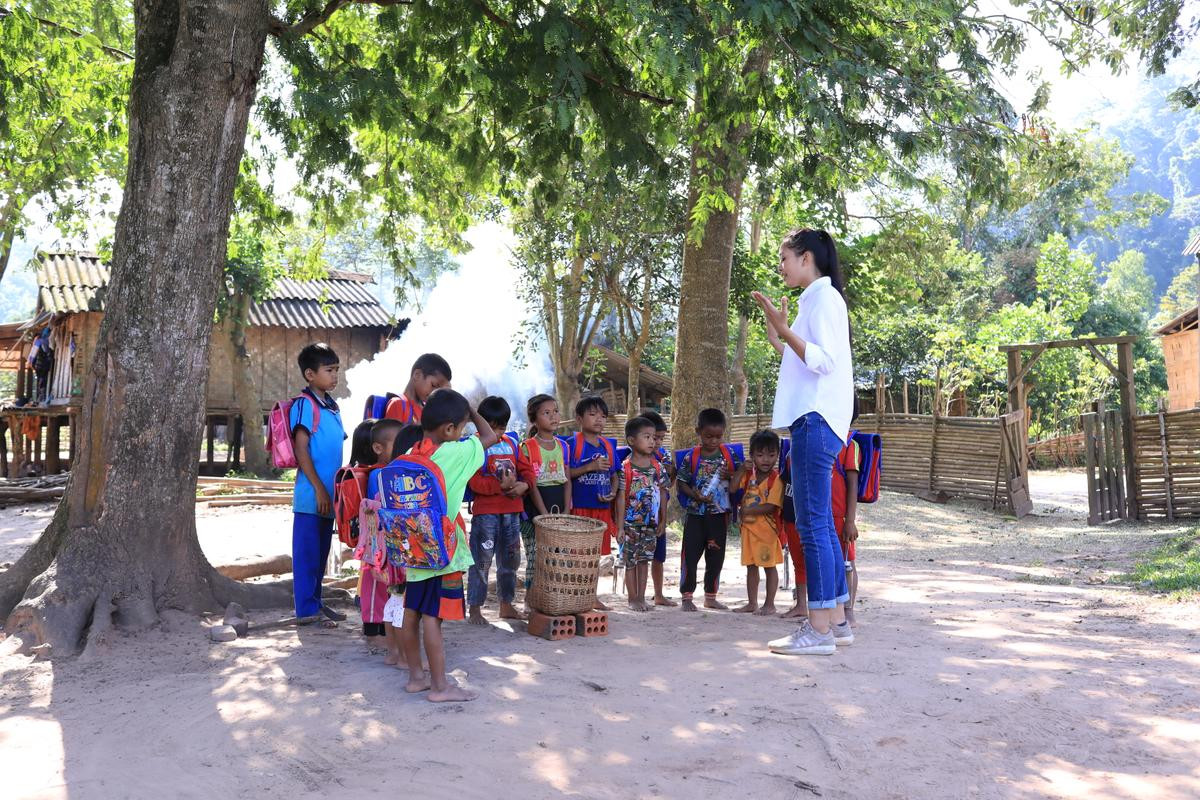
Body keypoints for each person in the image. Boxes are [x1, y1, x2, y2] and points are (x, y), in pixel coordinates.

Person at [753, 228, 855, 656]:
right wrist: (780, 339)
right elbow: (805, 362)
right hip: (816, 418)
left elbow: (825, 361)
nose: (781, 266)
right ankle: (836, 621)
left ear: (806, 257)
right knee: (821, 527)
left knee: (812, 525)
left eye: (784, 257)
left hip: (815, 420)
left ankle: (817, 631)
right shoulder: (814, 300)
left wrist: (783, 327)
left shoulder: (824, 299)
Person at [400, 388, 496, 702]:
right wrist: (471, 408)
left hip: (412, 546)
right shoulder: (455, 453)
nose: (464, 433)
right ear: (450, 429)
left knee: (412, 611)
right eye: (462, 427)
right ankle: (441, 687)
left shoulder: (409, 455)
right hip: (441, 549)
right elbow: (490, 436)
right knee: (433, 617)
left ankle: (416, 677)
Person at [289, 343, 347, 625]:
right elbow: (302, 450)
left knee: (321, 554)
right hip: (311, 495)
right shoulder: (305, 405)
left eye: (337, 369)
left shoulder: (332, 407)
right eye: (329, 370)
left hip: (329, 495)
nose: (335, 375)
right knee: (307, 555)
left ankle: (316, 603)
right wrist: (320, 488)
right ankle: (306, 611)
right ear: (310, 374)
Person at [466, 396, 534, 625]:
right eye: (491, 427)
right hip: (486, 514)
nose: (496, 432)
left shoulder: (513, 444)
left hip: (512, 513)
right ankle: (475, 607)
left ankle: (506, 604)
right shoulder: (474, 446)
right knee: (481, 561)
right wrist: (499, 486)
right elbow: (473, 481)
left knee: (511, 561)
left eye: (501, 427)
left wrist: (524, 486)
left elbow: (527, 471)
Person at [349, 418, 404, 660]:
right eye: (397, 443)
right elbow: (379, 503)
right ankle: (372, 632)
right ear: (378, 449)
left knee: (389, 587)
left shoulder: (391, 470)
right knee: (374, 588)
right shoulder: (379, 474)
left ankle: (385, 629)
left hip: (390, 543)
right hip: (377, 545)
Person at [675, 408, 739, 612]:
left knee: (716, 557)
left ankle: (710, 596)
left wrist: (733, 473)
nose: (713, 441)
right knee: (690, 555)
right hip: (695, 514)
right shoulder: (691, 457)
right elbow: (681, 483)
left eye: (718, 436)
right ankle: (687, 596)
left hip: (719, 515)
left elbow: (737, 482)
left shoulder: (729, 456)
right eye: (708, 436)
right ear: (698, 432)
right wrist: (695, 495)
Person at [567, 395, 619, 610]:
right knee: (578, 555)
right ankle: (575, 596)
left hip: (601, 509)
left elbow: (615, 474)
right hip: (579, 508)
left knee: (595, 556)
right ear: (579, 418)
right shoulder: (572, 444)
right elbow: (565, 473)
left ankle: (591, 596)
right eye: (593, 414)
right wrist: (590, 467)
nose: (599, 419)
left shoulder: (608, 445)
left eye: (603, 416)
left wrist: (613, 492)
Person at [519, 394, 572, 598]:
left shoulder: (563, 446)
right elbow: (532, 485)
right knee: (536, 555)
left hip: (558, 505)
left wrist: (566, 512)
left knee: (558, 555)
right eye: (546, 413)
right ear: (534, 419)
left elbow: (566, 481)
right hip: (535, 507)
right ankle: (531, 599)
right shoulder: (528, 447)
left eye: (556, 411)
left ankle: (552, 598)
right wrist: (543, 515)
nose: (553, 416)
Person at [614, 416, 666, 612]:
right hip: (629, 524)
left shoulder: (658, 468)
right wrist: (619, 527)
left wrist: (663, 519)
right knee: (630, 561)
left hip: (650, 524)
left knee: (644, 560)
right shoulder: (624, 468)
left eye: (654, 437)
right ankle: (632, 599)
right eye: (647, 437)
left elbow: (662, 494)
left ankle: (642, 597)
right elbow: (620, 498)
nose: (652, 441)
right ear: (632, 440)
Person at [730, 430, 784, 615]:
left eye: (771, 454)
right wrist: (740, 470)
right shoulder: (749, 475)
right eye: (760, 455)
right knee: (751, 566)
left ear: (778, 454)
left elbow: (772, 507)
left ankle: (769, 604)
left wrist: (748, 510)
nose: (766, 460)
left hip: (767, 532)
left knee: (769, 567)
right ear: (752, 456)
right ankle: (752, 603)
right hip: (748, 530)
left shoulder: (776, 479)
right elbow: (732, 487)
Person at [640, 409, 677, 607]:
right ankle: (637, 595)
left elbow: (668, 485)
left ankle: (659, 594)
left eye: (661, 438)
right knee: (639, 557)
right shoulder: (634, 459)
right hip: (638, 516)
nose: (658, 443)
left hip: (658, 513)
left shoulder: (664, 456)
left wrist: (671, 471)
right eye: (654, 438)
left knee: (658, 556)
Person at [833, 437, 862, 626]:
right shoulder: (821, 439)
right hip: (822, 515)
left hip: (841, 516)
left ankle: (848, 610)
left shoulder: (849, 444)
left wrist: (850, 520)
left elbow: (852, 484)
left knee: (847, 564)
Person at [777, 449, 808, 619]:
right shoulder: (789, 454)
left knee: (816, 563)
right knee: (799, 564)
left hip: (810, 518)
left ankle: (821, 609)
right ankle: (801, 605)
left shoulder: (819, 449)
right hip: (791, 517)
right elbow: (783, 482)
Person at [383, 353, 452, 423]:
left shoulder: (427, 411)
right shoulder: (398, 404)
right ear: (417, 375)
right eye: (433, 385)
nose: (435, 392)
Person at [28, 327, 53, 405]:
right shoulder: (49, 341)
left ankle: (42, 397)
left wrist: (30, 362)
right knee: (44, 380)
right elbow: (49, 353)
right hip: (47, 365)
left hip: (40, 365)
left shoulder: (39, 342)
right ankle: (43, 396)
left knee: (41, 381)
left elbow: (33, 354)